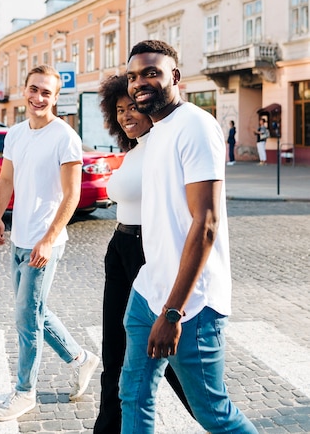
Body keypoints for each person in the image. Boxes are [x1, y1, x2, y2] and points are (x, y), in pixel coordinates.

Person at [120, 40, 257, 434]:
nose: (139, 82)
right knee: (133, 393)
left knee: (214, 414)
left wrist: (173, 311)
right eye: (133, 76)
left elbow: (206, 222)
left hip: (191, 304)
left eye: (151, 72)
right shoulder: (158, 129)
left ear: (175, 77)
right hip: (149, 290)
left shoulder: (195, 125)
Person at [0, 64, 100, 422]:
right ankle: (83, 360)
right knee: (35, 311)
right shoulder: (15, 134)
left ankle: (25, 392)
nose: (38, 98)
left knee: (25, 318)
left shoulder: (64, 137)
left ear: (54, 97)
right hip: (19, 238)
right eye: (34, 90)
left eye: (46, 93)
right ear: (25, 90)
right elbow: (6, 180)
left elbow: (71, 195)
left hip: (45, 243)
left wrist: (49, 240)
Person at [93, 75, 193, 434]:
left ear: (150, 105)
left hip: (147, 252)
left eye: (132, 107)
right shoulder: (134, 150)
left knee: (176, 365)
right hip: (119, 250)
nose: (125, 116)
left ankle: (215, 418)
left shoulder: (162, 145)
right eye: (119, 110)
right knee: (114, 354)